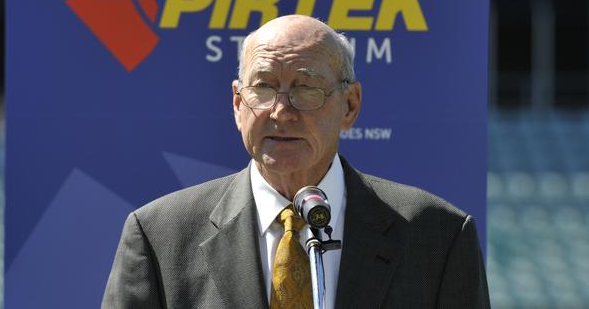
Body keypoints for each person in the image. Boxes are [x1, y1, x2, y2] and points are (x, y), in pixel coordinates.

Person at [102, 15, 491, 308]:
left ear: (350, 105)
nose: (281, 111)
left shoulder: (437, 236)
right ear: (239, 104)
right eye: (264, 87)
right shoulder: (159, 235)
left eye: (306, 88)